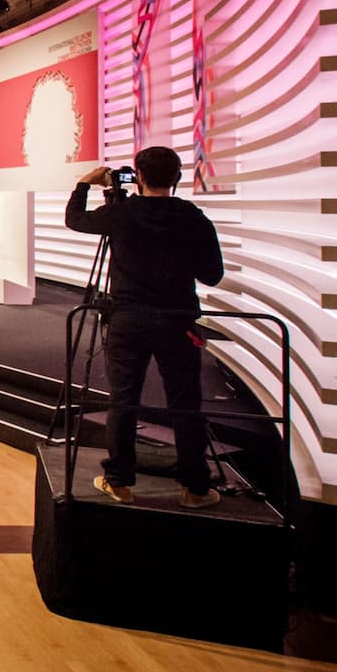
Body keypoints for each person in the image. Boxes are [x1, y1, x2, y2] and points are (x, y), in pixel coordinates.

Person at [65, 146, 225, 509]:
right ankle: (195, 489)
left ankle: (119, 482)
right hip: (177, 322)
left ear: (137, 176)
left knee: (123, 401)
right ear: (178, 177)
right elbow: (212, 275)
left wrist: (82, 184)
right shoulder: (193, 218)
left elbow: (75, 219)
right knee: (185, 405)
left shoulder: (121, 214)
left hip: (127, 321)